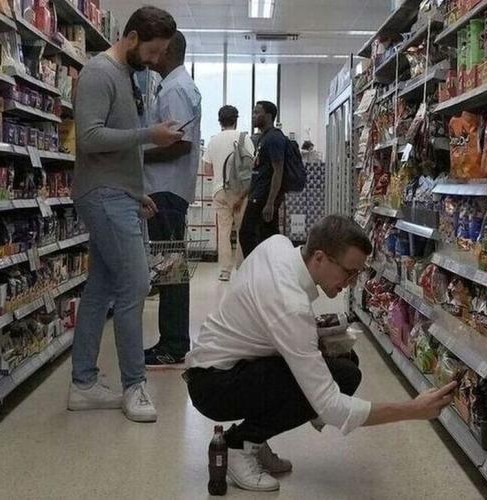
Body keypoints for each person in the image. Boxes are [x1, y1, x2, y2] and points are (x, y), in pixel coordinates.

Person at [184, 214, 457, 492]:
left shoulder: (278, 244)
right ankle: (240, 445)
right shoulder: (291, 305)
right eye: (349, 272)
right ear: (319, 257)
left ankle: (256, 436)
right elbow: (332, 407)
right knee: (341, 379)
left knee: (346, 361)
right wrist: (413, 409)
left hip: (222, 363)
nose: (351, 282)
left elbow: (266, 317)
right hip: (214, 385)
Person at [69, 6, 183, 423]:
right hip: (102, 195)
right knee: (135, 285)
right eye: (151, 51)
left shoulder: (127, 76)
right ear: (132, 37)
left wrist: (136, 193)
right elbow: (89, 137)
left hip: (118, 194)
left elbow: (118, 146)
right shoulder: (99, 73)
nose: (154, 60)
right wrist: (149, 134)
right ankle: (134, 385)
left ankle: (83, 383)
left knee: (101, 289)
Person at [142, 31, 202, 367]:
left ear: (166, 50)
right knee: (171, 266)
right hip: (169, 189)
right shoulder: (178, 86)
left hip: (165, 189)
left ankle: (173, 343)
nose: (150, 55)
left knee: (170, 268)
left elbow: (181, 143)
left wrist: (136, 155)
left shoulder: (175, 89)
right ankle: (173, 341)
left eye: (155, 48)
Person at [205, 105, 254, 282]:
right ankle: (241, 268)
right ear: (236, 120)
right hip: (240, 192)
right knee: (242, 230)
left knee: (224, 231)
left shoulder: (213, 141)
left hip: (219, 191)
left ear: (220, 121)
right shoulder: (244, 138)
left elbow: (207, 169)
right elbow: (251, 163)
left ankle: (225, 271)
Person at [239, 101, 285, 257]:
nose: (253, 116)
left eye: (257, 112)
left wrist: (270, 202)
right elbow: (259, 172)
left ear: (269, 116)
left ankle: (256, 266)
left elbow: (278, 171)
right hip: (257, 194)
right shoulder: (263, 138)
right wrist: (244, 194)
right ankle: (266, 267)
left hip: (263, 198)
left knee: (247, 234)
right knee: (266, 236)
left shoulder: (274, 138)